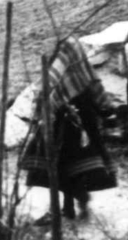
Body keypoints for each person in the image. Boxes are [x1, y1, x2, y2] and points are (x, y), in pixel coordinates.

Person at [20, 35, 117, 219]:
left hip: (64, 122)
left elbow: (46, 91)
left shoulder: (57, 72)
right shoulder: (83, 69)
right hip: (83, 122)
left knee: (61, 165)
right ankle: (77, 200)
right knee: (77, 167)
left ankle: (65, 206)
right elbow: (97, 91)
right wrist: (107, 112)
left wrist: (42, 111)